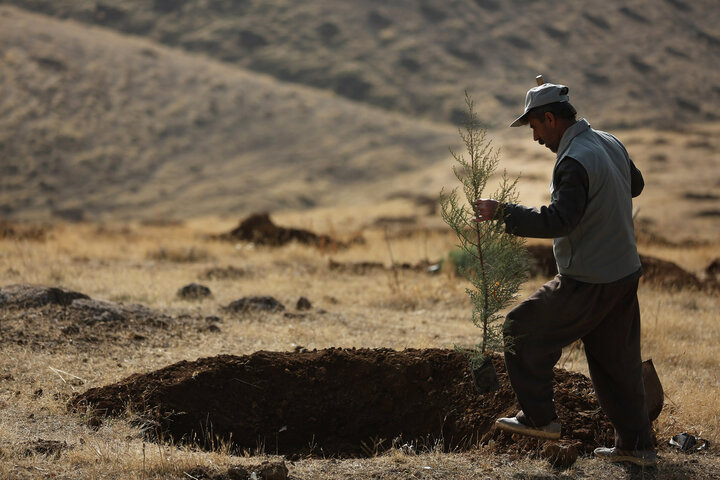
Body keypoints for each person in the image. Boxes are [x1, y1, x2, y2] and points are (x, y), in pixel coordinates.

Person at [473, 78, 656, 467]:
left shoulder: (574, 160)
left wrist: (503, 212)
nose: (536, 137)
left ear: (552, 118)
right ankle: (637, 447)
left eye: (536, 127)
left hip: (588, 278)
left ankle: (539, 419)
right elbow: (635, 185)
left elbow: (561, 220)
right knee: (616, 364)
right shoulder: (608, 143)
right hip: (623, 273)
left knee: (519, 329)